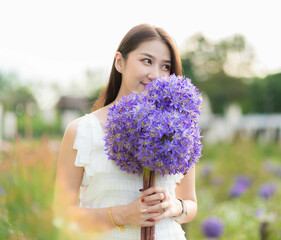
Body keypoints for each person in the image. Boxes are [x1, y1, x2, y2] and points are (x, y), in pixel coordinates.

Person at [52, 24, 197, 240]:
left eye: (165, 67)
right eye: (146, 61)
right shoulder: (82, 131)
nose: (156, 75)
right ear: (119, 62)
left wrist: (174, 207)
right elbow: (61, 214)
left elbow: (191, 204)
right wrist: (121, 215)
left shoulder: (179, 129)